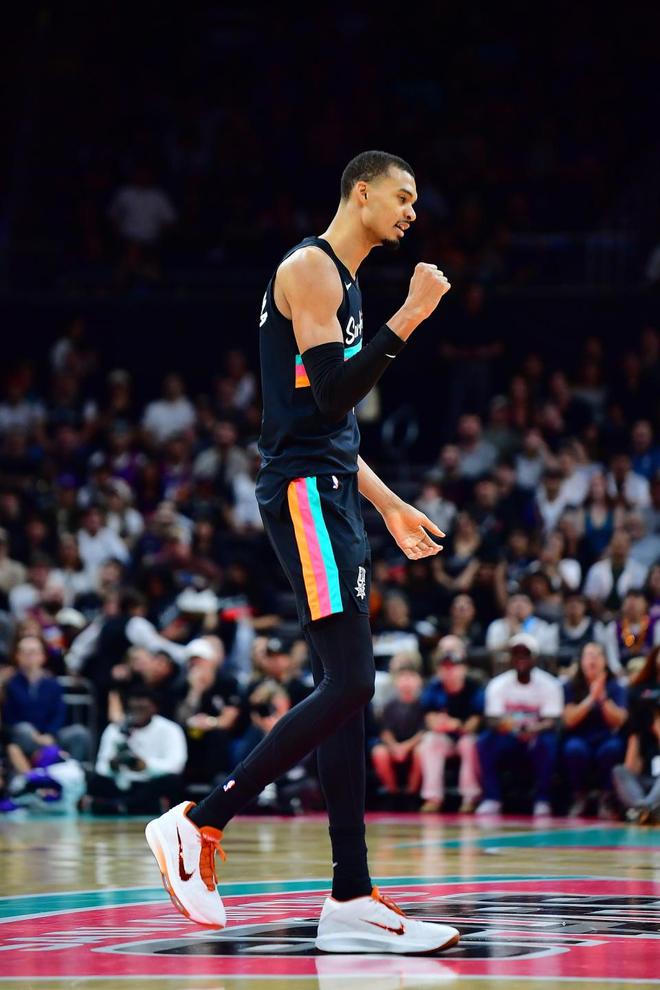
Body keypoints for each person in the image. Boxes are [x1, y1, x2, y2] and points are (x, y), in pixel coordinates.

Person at [145, 150, 459, 953]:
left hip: (331, 489)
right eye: (402, 196)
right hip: (306, 494)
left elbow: (333, 425)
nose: (411, 211)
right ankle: (199, 821)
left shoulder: (343, 284)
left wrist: (388, 504)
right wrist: (412, 315)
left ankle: (350, 897)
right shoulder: (310, 269)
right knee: (353, 681)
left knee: (344, 693)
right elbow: (330, 396)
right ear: (361, 192)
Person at [476, 633, 563, 816]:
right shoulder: (498, 684)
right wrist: (511, 727)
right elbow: (492, 719)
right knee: (484, 741)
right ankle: (492, 798)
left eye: (525, 654)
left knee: (548, 743)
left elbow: (553, 721)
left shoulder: (550, 684)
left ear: (535, 658)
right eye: (516, 654)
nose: (520, 659)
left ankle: (543, 800)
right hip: (508, 736)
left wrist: (533, 729)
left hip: (537, 736)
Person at [85, 687, 186, 814]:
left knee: (172, 781)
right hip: (122, 781)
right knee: (95, 780)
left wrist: (146, 765)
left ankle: (119, 806)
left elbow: (176, 764)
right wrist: (113, 765)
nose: (137, 713)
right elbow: (101, 766)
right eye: (133, 708)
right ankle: (129, 806)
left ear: (154, 708)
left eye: (142, 708)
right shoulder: (115, 728)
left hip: (150, 782)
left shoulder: (170, 729)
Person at [561, 643, 628, 818]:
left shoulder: (616, 686)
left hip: (606, 736)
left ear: (605, 661)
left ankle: (606, 798)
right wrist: (591, 698)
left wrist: (602, 698)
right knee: (574, 749)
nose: (592, 660)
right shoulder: (570, 686)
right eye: (588, 655)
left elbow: (619, 721)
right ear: (581, 661)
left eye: (597, 655)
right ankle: (579, 796)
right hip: (580, 736)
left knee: (612, 749)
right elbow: (569, 720)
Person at [418, 636, 483, 813]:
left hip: (465, 736)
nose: (449, 671)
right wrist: (440, 724)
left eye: (453, 666)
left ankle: (470, 797)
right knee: (430, 741)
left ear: (464, 668)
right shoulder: (434, 687)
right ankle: (433, 797)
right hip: (444, 737)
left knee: (469, 744)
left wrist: (457, 725)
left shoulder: (473, 686)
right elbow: (430, 720)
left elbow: (474, 723)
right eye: (444, 667)